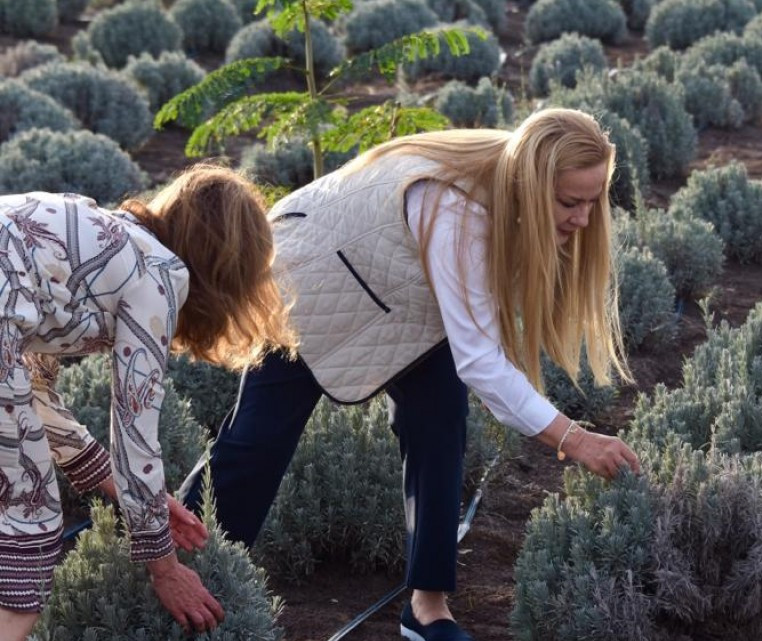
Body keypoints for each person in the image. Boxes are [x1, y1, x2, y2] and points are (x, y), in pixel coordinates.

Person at [180, 108, 641, 641]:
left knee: (439, 425)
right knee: (257, 442)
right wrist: (574, 439)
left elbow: (473, 340)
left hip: (402, 302)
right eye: (569, 202)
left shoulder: (511, 175)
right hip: (310, 284)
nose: (584, 219)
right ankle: (183, 570)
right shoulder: (457, 210)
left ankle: (427, 609)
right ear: (534, 182)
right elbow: (482, 362)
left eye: (593, 200)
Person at [0, 164, 297, 641]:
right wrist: (165, 567)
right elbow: (135, 431)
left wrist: (132, 494)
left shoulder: (103, 234)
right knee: (26, 542)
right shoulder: (157, 274)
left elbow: (32, 395)